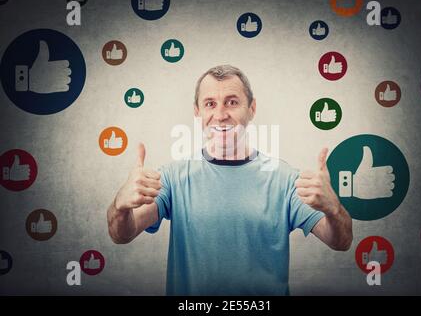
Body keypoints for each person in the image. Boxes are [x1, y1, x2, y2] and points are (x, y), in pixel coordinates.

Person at [107, 65, 353, 295]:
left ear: (252, 109)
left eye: (232, 102)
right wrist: (120, 205)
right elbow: (122, 234)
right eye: (210, 104)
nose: (220, 114)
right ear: (197, 112)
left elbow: (340, 241)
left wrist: (334, 209)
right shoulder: (172, 177)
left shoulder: (285, 180)